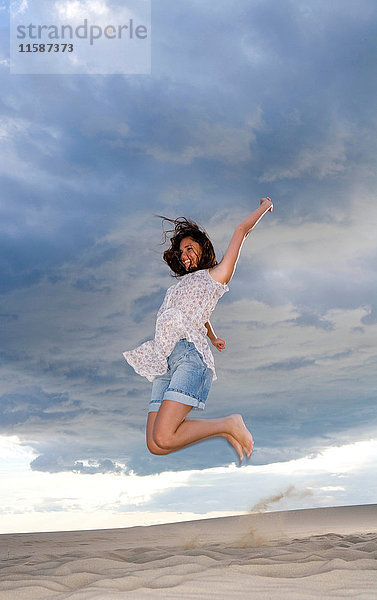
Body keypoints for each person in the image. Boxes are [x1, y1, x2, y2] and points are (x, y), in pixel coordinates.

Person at [123, 197, 273, 462]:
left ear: (203, 248)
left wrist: (264, 206)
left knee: (165, 436)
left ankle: (228, 424)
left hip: (189, 357)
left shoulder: (216, 275)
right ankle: (225, 429)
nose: (185, 256)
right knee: (155, 445)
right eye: (181, 253)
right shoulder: (182, 286)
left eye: (190, 249)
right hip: (164, 362)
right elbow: (197, 315)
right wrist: (213, 337)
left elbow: (241, 231)